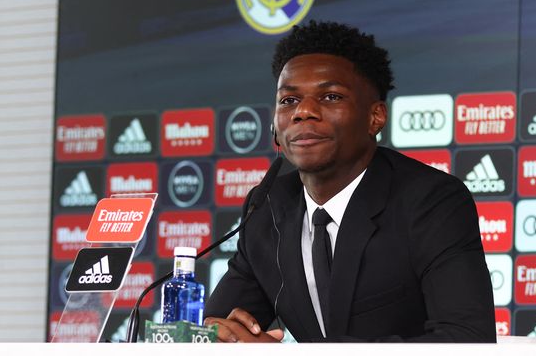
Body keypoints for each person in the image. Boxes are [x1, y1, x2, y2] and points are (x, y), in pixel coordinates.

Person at [204, 21, 495, 343]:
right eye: (288, 101)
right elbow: (213, 327)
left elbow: (467, 339)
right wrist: (221, 337)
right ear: (274, 125)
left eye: (330, 97)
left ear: (376, 117)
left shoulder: (430, 200)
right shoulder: (267, 207)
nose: (303, 112)